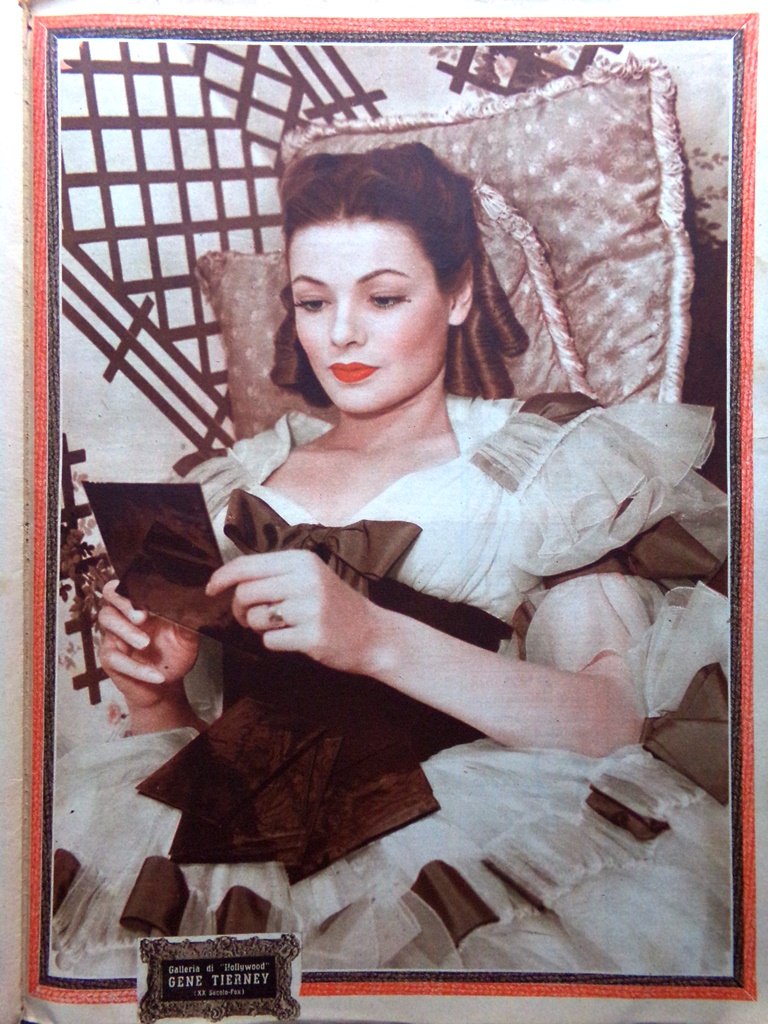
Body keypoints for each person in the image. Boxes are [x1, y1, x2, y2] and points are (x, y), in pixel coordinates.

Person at [54, 143, 731, 978]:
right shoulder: (239, 479)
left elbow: (614, 722)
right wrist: (157, 698)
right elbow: (215, 769)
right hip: (238, 876)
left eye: (382, 297)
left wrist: (374, 637)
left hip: (455, 854)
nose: (341, 333)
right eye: (313, 301)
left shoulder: (541, 464)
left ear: (459, 293)